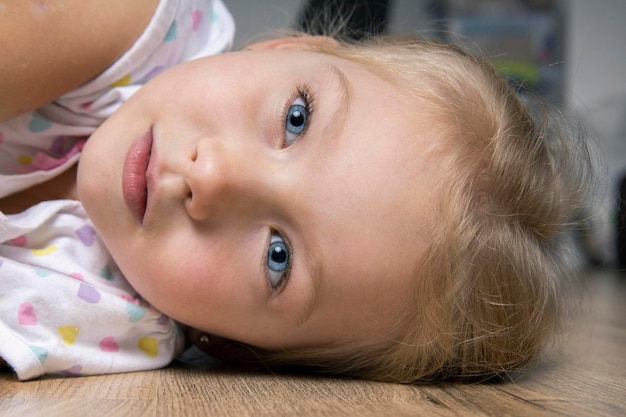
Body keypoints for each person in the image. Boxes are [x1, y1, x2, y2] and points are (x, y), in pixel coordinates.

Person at [0, 1, 592, 383]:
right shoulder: (130, 26)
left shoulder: (117, 322)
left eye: (277, 257)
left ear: (234, 344)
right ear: (288, 48)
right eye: (296, 119)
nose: (212, 177)